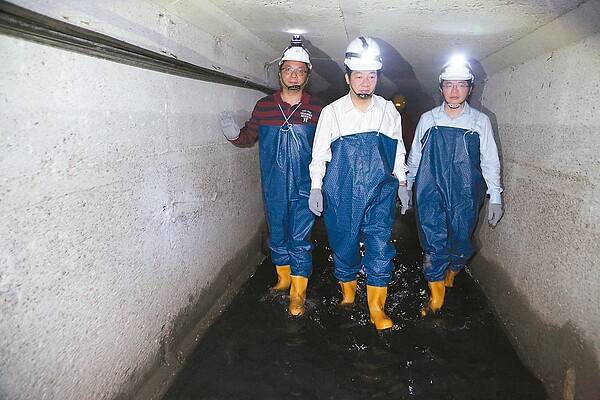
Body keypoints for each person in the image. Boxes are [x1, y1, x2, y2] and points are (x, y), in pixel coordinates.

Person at [308, 36, 410, 330]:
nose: (366, 82)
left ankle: (377, 309)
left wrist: (402, 183)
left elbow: (397, 149)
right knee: (344, 244)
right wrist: (316, 186)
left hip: (380, 190)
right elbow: (319, 154)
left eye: (372, 76)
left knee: (380, 247)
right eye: (359, 76)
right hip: (342, 191)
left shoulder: (388, 110)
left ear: (378, 77)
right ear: (347, 78)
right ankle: (349, 295)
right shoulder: (333, 113)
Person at [219, 35, 323, 316]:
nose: (294, 74)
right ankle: (283, 279)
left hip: (305, 187)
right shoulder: (264, 106)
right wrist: (234, 135)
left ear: (307, 76)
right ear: (280, 73)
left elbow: (328, 149)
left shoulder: (318, 110)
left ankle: (298, 295)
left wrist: (322, 186)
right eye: (289, 69)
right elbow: (248, 136)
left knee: (300, 239)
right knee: (277, 235)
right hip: (274, 186)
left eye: (300, 70)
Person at [406, 56, 504, 315]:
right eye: (449, 85)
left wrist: (495, 196)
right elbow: (415, 155)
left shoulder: (480, 122)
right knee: (434, 243)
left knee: (461, 242)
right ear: (441, 88)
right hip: (430, 190)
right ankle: (436, 298)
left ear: (469, 89)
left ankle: (452, 273)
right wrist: (407, 184)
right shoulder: (428, 119)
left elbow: (490, 161)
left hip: (465, 194)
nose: (454, 90)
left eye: (460, 85)